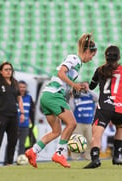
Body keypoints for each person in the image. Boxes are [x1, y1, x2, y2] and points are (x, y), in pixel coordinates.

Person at [25, 33, 97, 168]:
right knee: (72, 124)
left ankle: (33, 151)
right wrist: (74, 85)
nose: (91, 59)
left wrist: (74, 88)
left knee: (56, 131)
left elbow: (64, 80)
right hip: (54, 94)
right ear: (87, 51)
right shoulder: (74, 58)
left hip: (48, 96)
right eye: (92, 55)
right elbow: (61, 73)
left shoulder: (77, 64)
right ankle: (60, 153)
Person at [0, 62, 25, 166]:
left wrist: (22, 112)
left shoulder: (15, 83)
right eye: (6, 69)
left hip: (13, 116)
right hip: (0, 115)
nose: (9, 71)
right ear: (1, 71)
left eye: (10, 69)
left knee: (13, 141)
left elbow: (19, 99)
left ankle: (9, 163)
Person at [69, 82, 98, 160]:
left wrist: (88, 90)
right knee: (76, 141)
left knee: (90, 141)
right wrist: (72, 96)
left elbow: (98, 98)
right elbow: (71, 108)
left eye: (84, 86)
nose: (83, 87)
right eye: (82, 86)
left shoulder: (91, 96)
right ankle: (75, 158)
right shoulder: (76, 97)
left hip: (89, 123)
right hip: (78, 123)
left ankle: (88, 157)